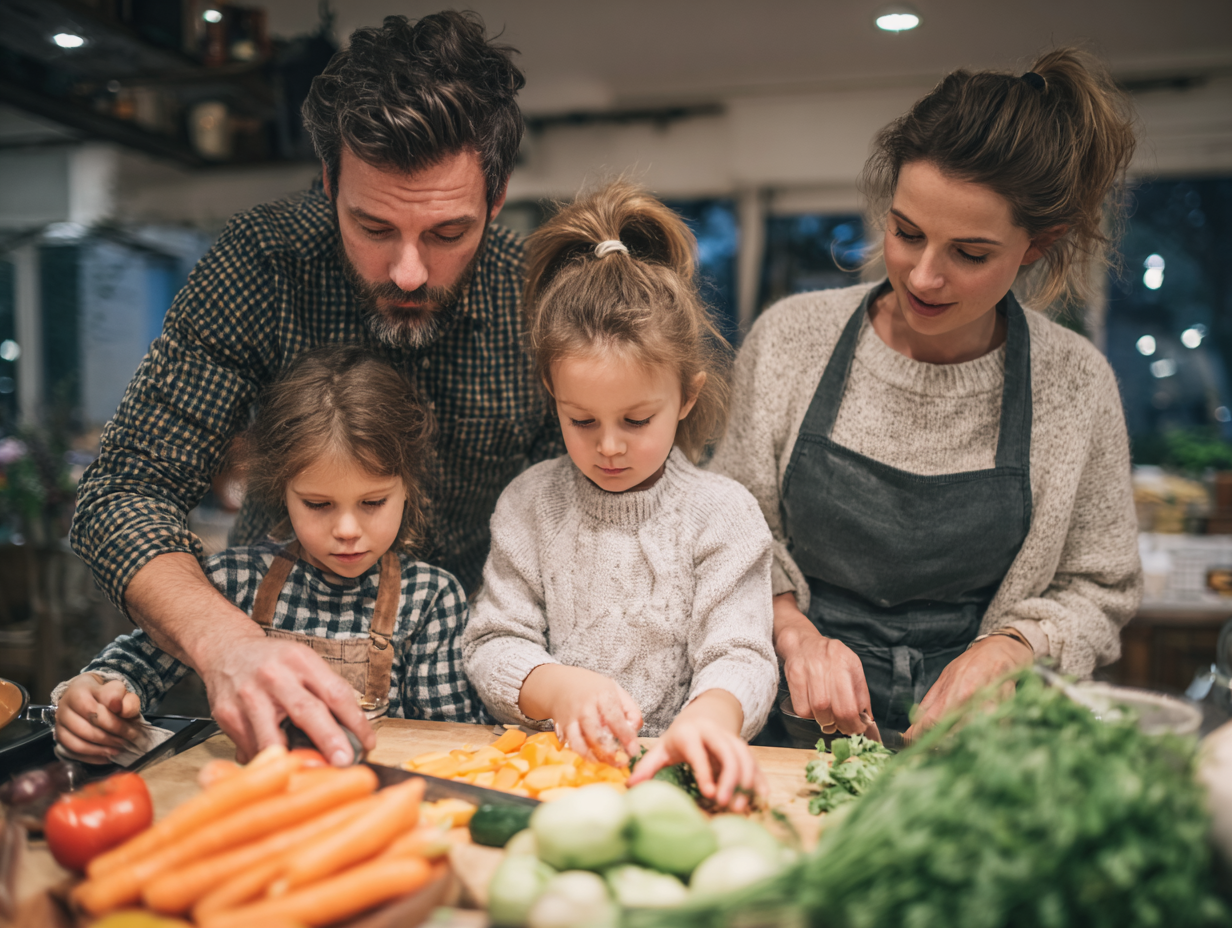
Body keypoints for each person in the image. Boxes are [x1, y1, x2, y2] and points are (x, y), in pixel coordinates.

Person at [69, 13, 557, 765]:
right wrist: (227, 641)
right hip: (268, 707)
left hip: (467, 704)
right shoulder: (261, 264)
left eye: (447, 233)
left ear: (497, 198)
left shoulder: (539, 306)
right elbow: (122, 492)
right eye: (371, 225)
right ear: (329, 181)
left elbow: (590, 531)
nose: (408, 272)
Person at [710, 48, 1143, 744]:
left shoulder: (1075, 384)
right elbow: (727, 532)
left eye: (970, 253)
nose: (924, 276)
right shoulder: (792, 340)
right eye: (906, 233)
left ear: (1036, 246)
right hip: (786, 727)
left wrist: (1010, 650)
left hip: (981, 751)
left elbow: (1100, 587)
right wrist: (791, 631)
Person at [463, 181, 778, 810]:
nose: (608, 446)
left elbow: (741, 654)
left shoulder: (724, 516)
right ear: (552, 394)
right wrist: (558, 690)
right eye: (581, 421)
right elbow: (492, 642)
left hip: (678, 784)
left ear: (686, 397)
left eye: (636, 421)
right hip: (553, 784)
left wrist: (708, 721)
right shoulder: (529, 505)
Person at [54, 347, 484, 763]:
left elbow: (452, 742)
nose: (348, 531)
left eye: (373, 503)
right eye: (318, 505)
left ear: (406, 487)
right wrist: (99, 693)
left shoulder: (432, 598)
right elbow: (134, 667)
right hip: (258, 794)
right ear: (283, 492)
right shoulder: (231, 583)